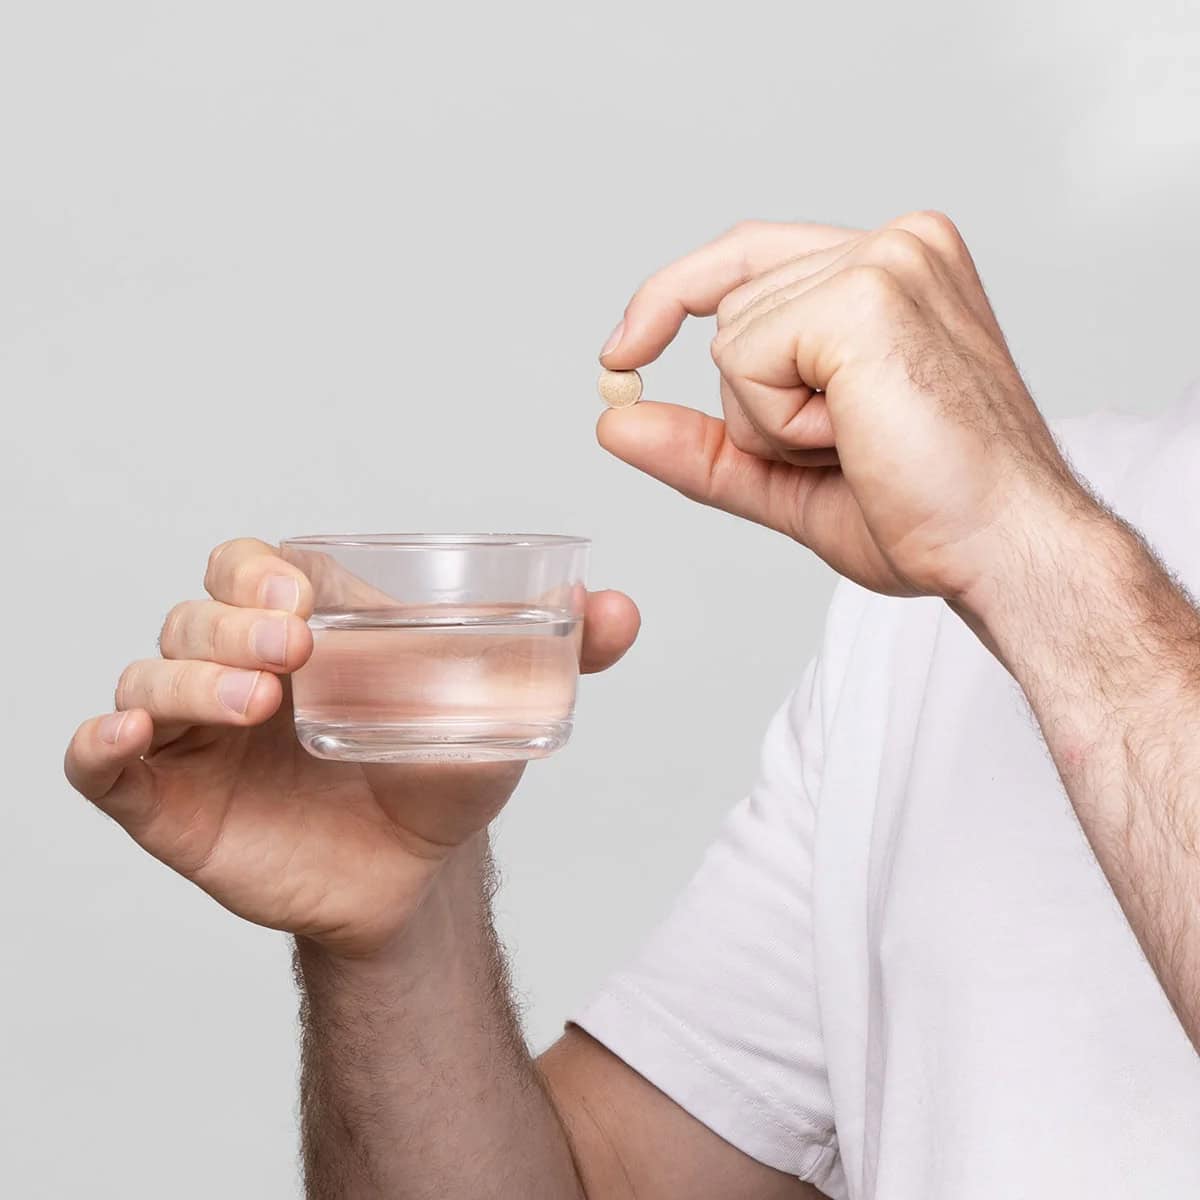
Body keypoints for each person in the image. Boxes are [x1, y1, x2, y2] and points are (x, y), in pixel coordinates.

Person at [65, 213, 1200, 1199]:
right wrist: (400, 938)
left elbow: (1032, 554)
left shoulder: (1014, 535)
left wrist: (1038, 561)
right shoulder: (954, 572)